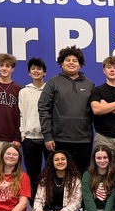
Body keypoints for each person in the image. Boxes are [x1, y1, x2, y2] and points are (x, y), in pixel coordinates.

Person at [38, 45, 95, 174]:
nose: (71, 63)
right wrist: (47, 136)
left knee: (82, 175)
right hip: (59, 139)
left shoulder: (89, 85)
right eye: (67, 60)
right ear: (62, 63)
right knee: (58, 175)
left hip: (84, 140)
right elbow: (43, 108)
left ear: (80, 64)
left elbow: (95, 111)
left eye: (75, 60)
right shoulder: (53, 83)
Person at [18, 57, 46, 196]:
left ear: (44, 72)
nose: (36, 71)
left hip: (47, 138)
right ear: (29, 72)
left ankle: (48, 202)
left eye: (39, 68)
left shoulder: (49, 90)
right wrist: (22, 133)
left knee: (51, 172)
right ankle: (34, 203)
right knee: (33, 174)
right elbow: (21, 113)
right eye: (33, 69)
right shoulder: (24, 92)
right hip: (29, 138)